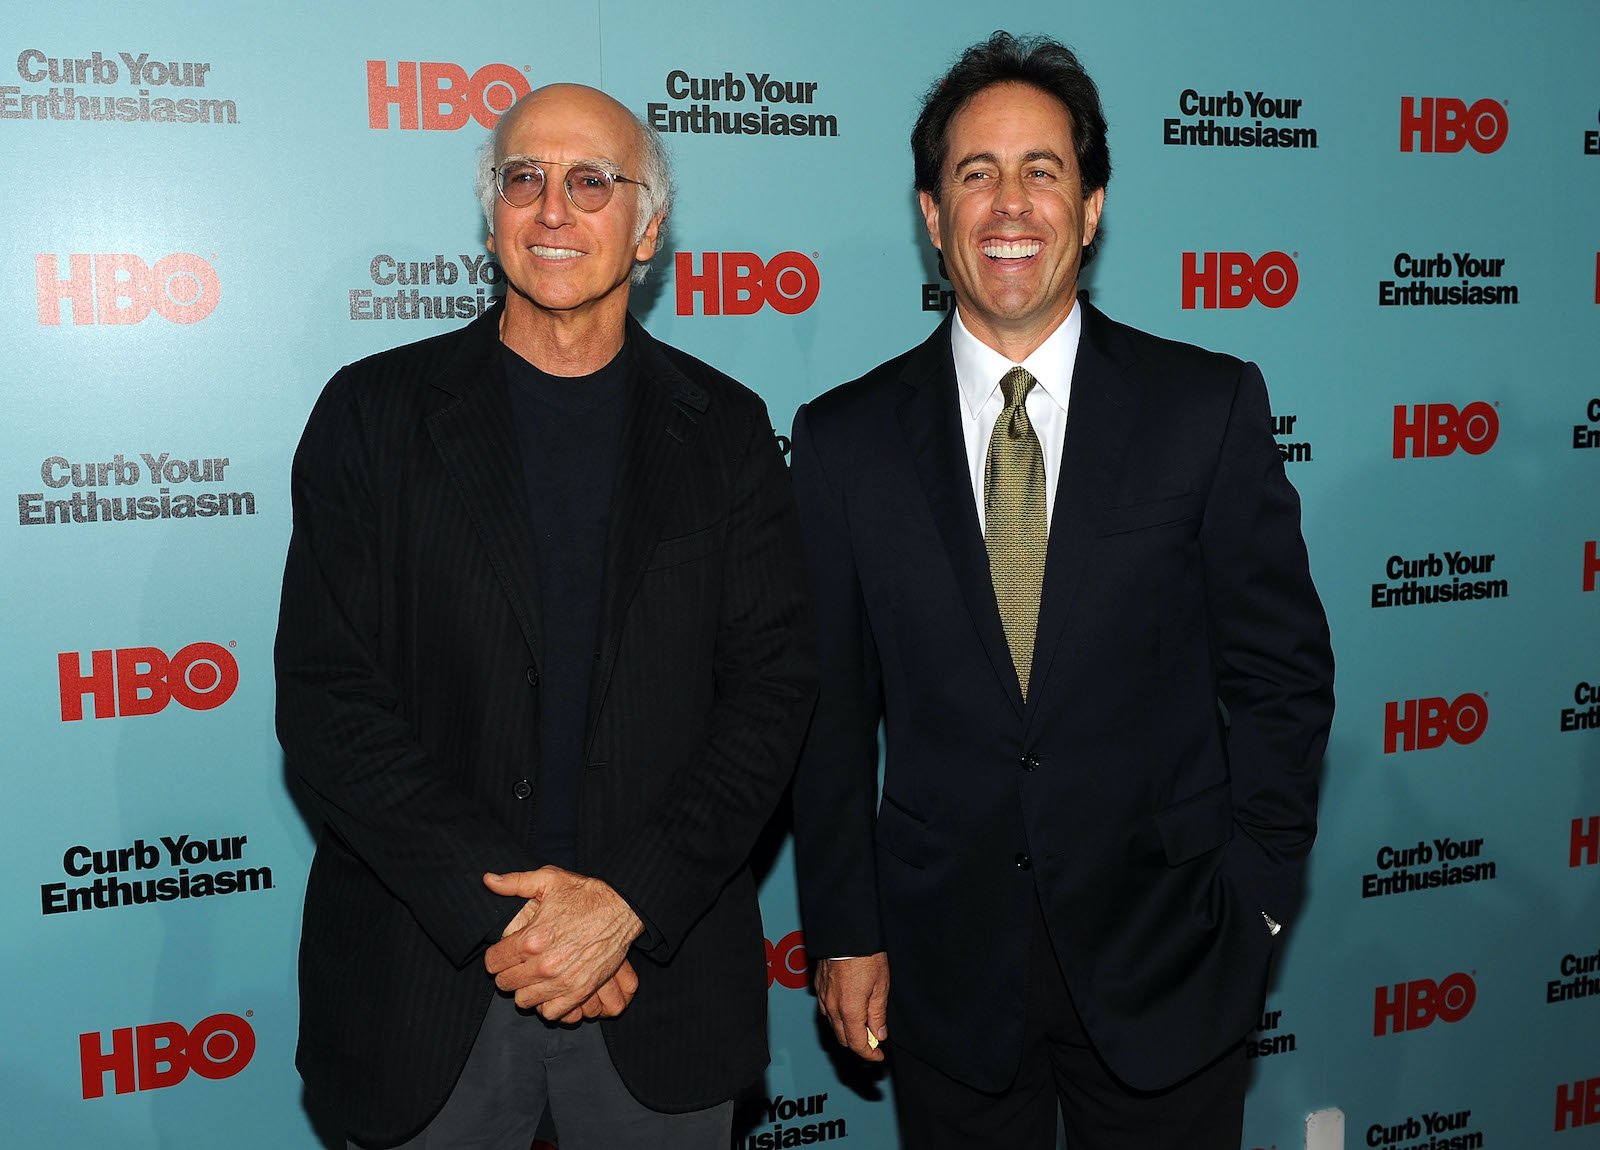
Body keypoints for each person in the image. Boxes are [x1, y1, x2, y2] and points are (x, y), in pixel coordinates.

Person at [789, 32, 1334, 1150]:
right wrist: (844, 930)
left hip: (1172, 955)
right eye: (973, 173)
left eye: (1042, 170)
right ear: (932, 216)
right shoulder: (843, 441)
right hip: (942, 970)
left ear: (1089, 207)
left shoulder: (1206, 407)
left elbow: (1282, 677)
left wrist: (1257, 898)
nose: (1009, 203)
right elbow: (827, 721)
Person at [275, 82, 816, 1150]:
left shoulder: (727, 432)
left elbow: (771, 695)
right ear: (492, 218)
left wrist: (624, 903)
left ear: (648, 227)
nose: (553, 208)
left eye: (590, 182)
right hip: (424, 989)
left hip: (655, 986)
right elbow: (330, 700)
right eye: (524, 179)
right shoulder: (372, 416)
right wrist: (519, 923)